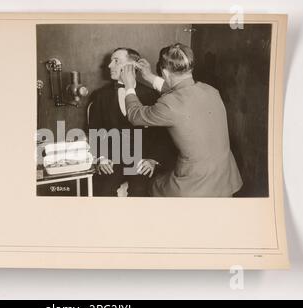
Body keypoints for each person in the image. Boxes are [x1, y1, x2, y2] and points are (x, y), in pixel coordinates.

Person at [121, 43, 243, 197]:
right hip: (225, 179)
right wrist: (149, 76)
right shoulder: (210, 90)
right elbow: (181, 92)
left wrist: (129, 86)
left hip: (195, 184)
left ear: (165, 72)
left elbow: (135, 115)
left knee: (152, 185)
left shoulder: (169, 104)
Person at [89, 47, 176, 197]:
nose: (110, 65)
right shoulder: (100, 96)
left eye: (116, 61)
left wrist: (153, 160)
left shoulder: (152, 95)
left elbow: (162, 135)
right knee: (102, 191)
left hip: (141, 160)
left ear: (133, 66)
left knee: (141, 192)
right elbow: (95, 130)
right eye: (111, 61)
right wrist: (101, 158)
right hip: (112, 160)